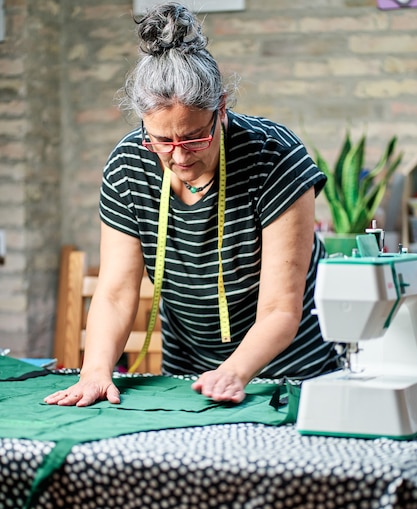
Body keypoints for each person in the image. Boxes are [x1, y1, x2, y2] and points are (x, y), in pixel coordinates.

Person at [45, 2, 338, 410]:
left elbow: (279, 308)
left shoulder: (274, 156)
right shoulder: (130, 164)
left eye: (194, 138)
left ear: (221, 111)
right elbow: (114, 292)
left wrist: (235, 372)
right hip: (188, 377)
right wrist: (95, 371)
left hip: (292, 375)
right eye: (162, 141)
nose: (179, 157)